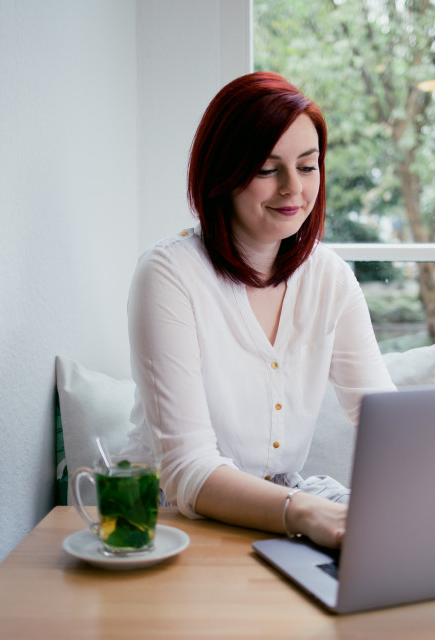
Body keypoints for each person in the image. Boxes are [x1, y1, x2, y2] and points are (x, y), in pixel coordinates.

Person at [121, 72, 395, 549]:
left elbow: (385, 421)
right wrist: (307, 511)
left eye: (307, 166)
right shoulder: (169, 274)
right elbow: (187, 467)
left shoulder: (329, 277)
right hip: (170, 525)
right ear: (222, 174)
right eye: (268, 170)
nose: (294, 188)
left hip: (282, 510)